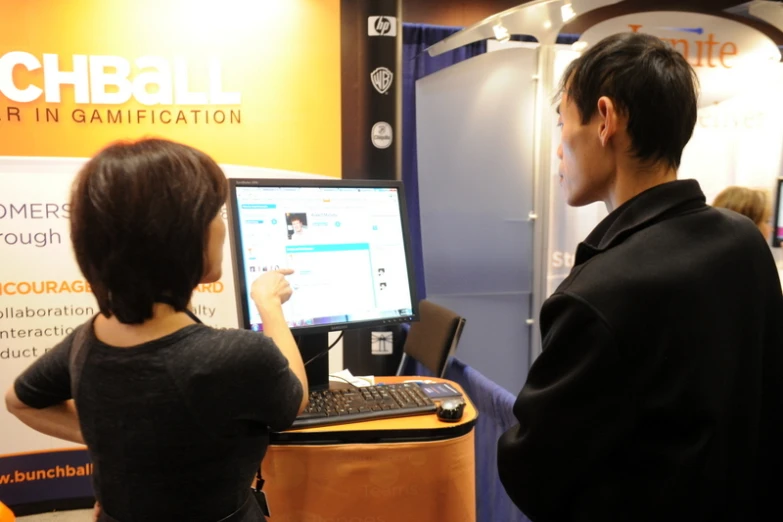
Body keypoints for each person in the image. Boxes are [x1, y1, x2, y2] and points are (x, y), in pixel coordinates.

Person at [497, 32, 783, 521]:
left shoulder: (600, 293)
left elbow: (534, 472)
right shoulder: (744, 242)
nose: (559, 148)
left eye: (563, 122)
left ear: (605, 120)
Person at [5, 139, 309, 522]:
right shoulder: (233, 355)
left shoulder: (88, 339)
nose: (222, 226)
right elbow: (293, 402)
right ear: (182, 234)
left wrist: (118, 448)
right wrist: (270, 307)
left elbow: (19, 400)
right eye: (215, 212)